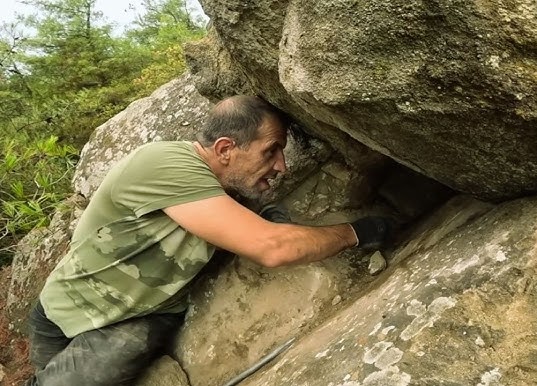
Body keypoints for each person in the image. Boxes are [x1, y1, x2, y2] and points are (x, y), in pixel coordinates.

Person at [24, 95, 391, 386]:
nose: (281, 166)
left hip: (135, 320)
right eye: (271, 151)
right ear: (226, 149)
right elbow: (272, 246)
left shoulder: (231, 191)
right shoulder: (163, 163)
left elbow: (265, 222)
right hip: (64, 310)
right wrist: (353, 233)